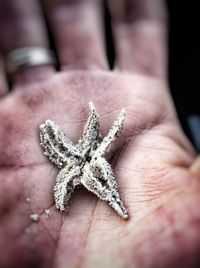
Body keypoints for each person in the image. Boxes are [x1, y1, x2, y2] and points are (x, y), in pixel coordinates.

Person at [0, 0, 200, 267]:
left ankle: (117, 204)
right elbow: (91, 143)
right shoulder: (73, 163)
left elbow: (98, 138)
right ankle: (116, 204)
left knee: (105, 189)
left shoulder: (80, 160)